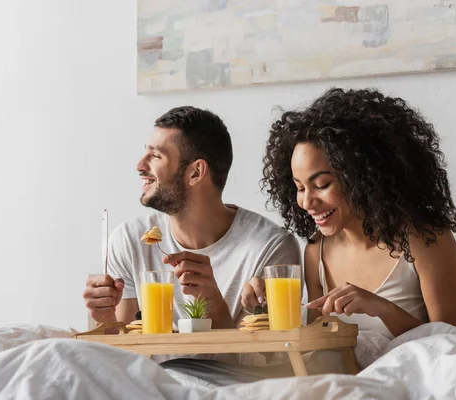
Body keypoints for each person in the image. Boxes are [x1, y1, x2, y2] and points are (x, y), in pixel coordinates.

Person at [242, 88, 456, 359]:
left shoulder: (425, 239)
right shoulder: (316, 250)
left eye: (321, 185)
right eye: (299, 187)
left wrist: (382, 309)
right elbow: (316, 345)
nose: (305, 202)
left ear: (363, 177)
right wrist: (269, 310)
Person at [83, 106, 301, 334]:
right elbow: (127, 356)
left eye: (155, 156)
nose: (140, 166)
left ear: (196, 172)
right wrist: (105, 318)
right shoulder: (129, 240)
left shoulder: (271, 248)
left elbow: (261, 363)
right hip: (150, 370)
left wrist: (213, 302)